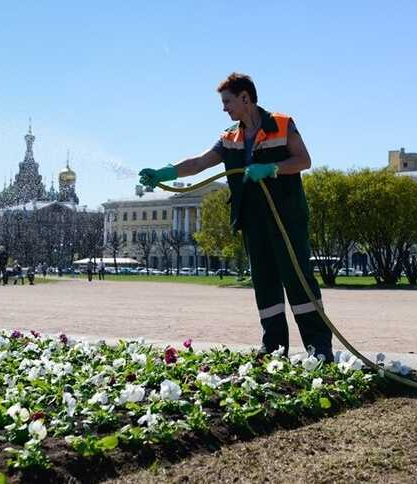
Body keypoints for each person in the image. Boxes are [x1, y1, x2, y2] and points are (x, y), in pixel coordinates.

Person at [138, 72, 332, 361]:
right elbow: (200, 162)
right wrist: (167, 171)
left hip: (286, 216)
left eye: (227, 101)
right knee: (264, 281)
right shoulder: (230, 137)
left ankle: (319, 348)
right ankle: (274, 347)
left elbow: (304, 160)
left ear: (245, 97)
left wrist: (273, 168)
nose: (224, 108)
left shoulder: (281, 123)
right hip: (253, 218)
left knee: (297, 278)